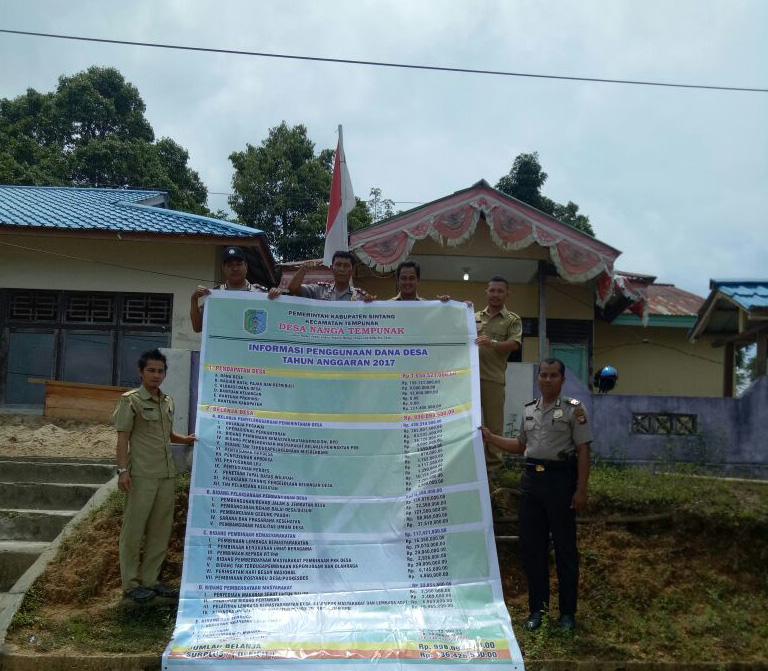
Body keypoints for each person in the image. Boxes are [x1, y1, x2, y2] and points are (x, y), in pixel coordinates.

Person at [481, 358, 592, 632]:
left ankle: (567, 614)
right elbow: (521, 446)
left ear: (562, 380)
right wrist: (491, 438)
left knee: (565, 549)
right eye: (543, 375)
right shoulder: (529, 410)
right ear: (538, 378)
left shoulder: (574, 410)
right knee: (533, 549)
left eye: (553, 375)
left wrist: (580, 490)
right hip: (532, 482)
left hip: (561, 481)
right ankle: (537, 611)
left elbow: (584, 451)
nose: (547, 380)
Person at [113, 348, 196, 603]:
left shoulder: (167, 401)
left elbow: (168, 435)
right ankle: (130, 584)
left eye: (160, 371)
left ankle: (151, 580)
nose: (156, 375)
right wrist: (122, 471)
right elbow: (123, 437)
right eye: (151, 370)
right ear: (141, 372)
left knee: (160, 530)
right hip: (141, 476)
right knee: (134, 530)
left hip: (166, 475)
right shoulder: (131, 401)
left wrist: (187, 439)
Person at [474, 276, 522, 477]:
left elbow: (515, 344)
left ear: (507, 294)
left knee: (493, 427)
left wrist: (492, 343)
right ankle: (470, 466)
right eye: (492, 290)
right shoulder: (473, 316)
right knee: (467, 424)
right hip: (469, 381)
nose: (495, 294)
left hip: (493, 380)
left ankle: (493, 470)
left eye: (500, 291)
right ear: (486, 292)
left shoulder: (512, 319)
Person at [190, 246, 281, 332]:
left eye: (239, 264)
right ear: (223, 269)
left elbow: (275, 324)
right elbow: (197, 327)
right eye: (230, 265)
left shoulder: (260, 294)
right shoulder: (215, 296)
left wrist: (278, 299)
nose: (235, 269)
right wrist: (194, 299)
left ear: (246, 266)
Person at [286, 251, 375, 301]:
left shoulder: (360, 297)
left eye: (346, 265)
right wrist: (303, 269)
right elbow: (293, 289)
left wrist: (370, 305)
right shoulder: (319, 290)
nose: (342, 269)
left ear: (352, 270)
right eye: (338, 265)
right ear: (332, 268)